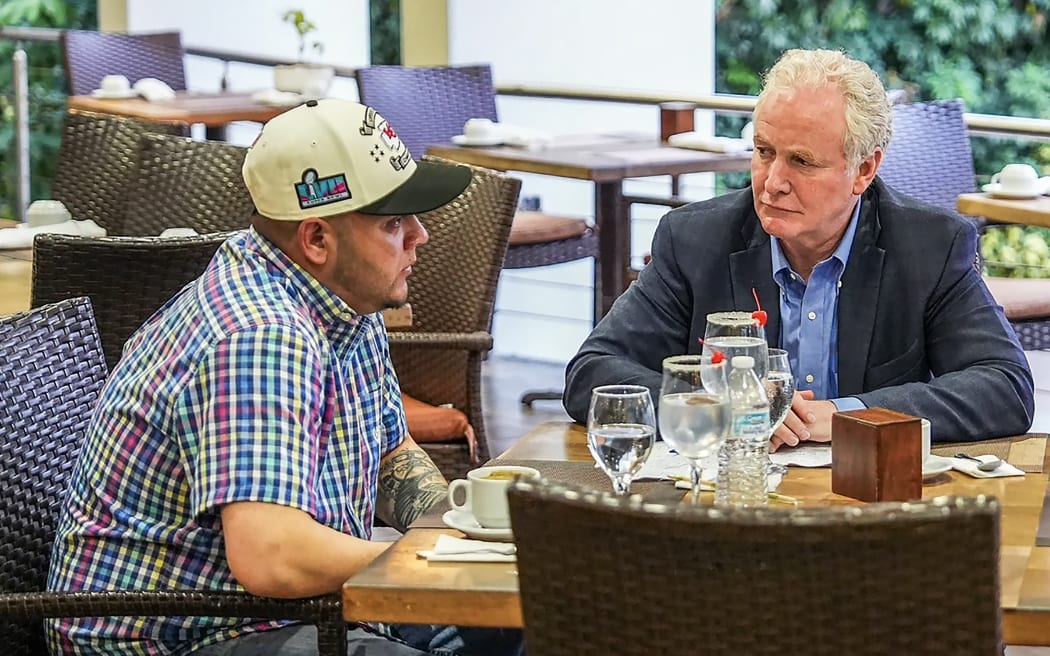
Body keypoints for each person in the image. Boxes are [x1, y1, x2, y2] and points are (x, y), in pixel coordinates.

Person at [46, 99, 522, 656]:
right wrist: (430, 563)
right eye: (393, 222)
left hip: (269, 615)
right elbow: (273, 558)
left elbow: (390, 453)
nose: (420, 234)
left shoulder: (344, 300)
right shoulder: (259, 335)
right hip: (176, 635)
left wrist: (459, 535)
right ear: (317, 239)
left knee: (519, 621)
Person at [564, 48, 1034, 447]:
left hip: (869, 509)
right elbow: (592, 374)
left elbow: (1005, 387)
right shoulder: (693, 239)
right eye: (764, 152)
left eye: (801, 161)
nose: (773, 182)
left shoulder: (929, 245)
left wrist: (852, 414)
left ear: (864, 171)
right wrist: (717, 408)